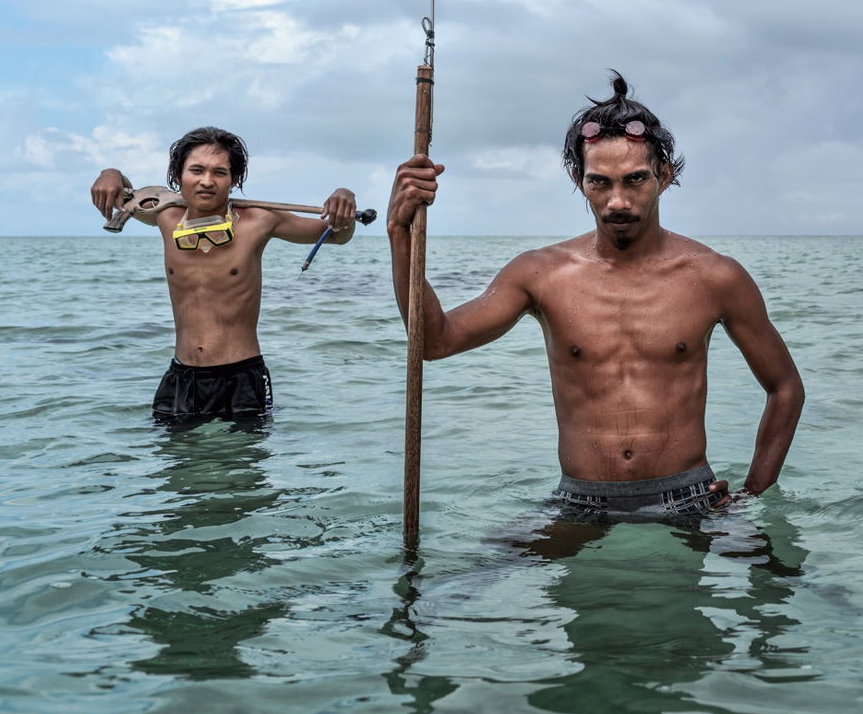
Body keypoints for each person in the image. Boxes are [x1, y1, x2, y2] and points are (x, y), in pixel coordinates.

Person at [387, 73, 805, 519]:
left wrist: (751, 496)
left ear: (664, 176)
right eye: (600, 182)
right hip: (578, 501)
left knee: (784, 581)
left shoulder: (715, 276)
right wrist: (400, 234)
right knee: (463, 584)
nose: (618, 201)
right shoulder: (541, 273)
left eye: (635, 180)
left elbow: (785, 388)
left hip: (689, 499)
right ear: (578, 179)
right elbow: (435, 342)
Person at [90, 126, 363, 423]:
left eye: (219, 173)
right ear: (178, 175)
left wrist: (344, 201)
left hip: (241, 377)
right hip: (182, 375)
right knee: (176, 466)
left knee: (245, 467)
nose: (207, 181)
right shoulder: (164, 214)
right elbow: (128, 194)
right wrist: (110, 172)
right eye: (196, 170)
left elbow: (335, 235)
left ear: (233, 180)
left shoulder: (260, 220)